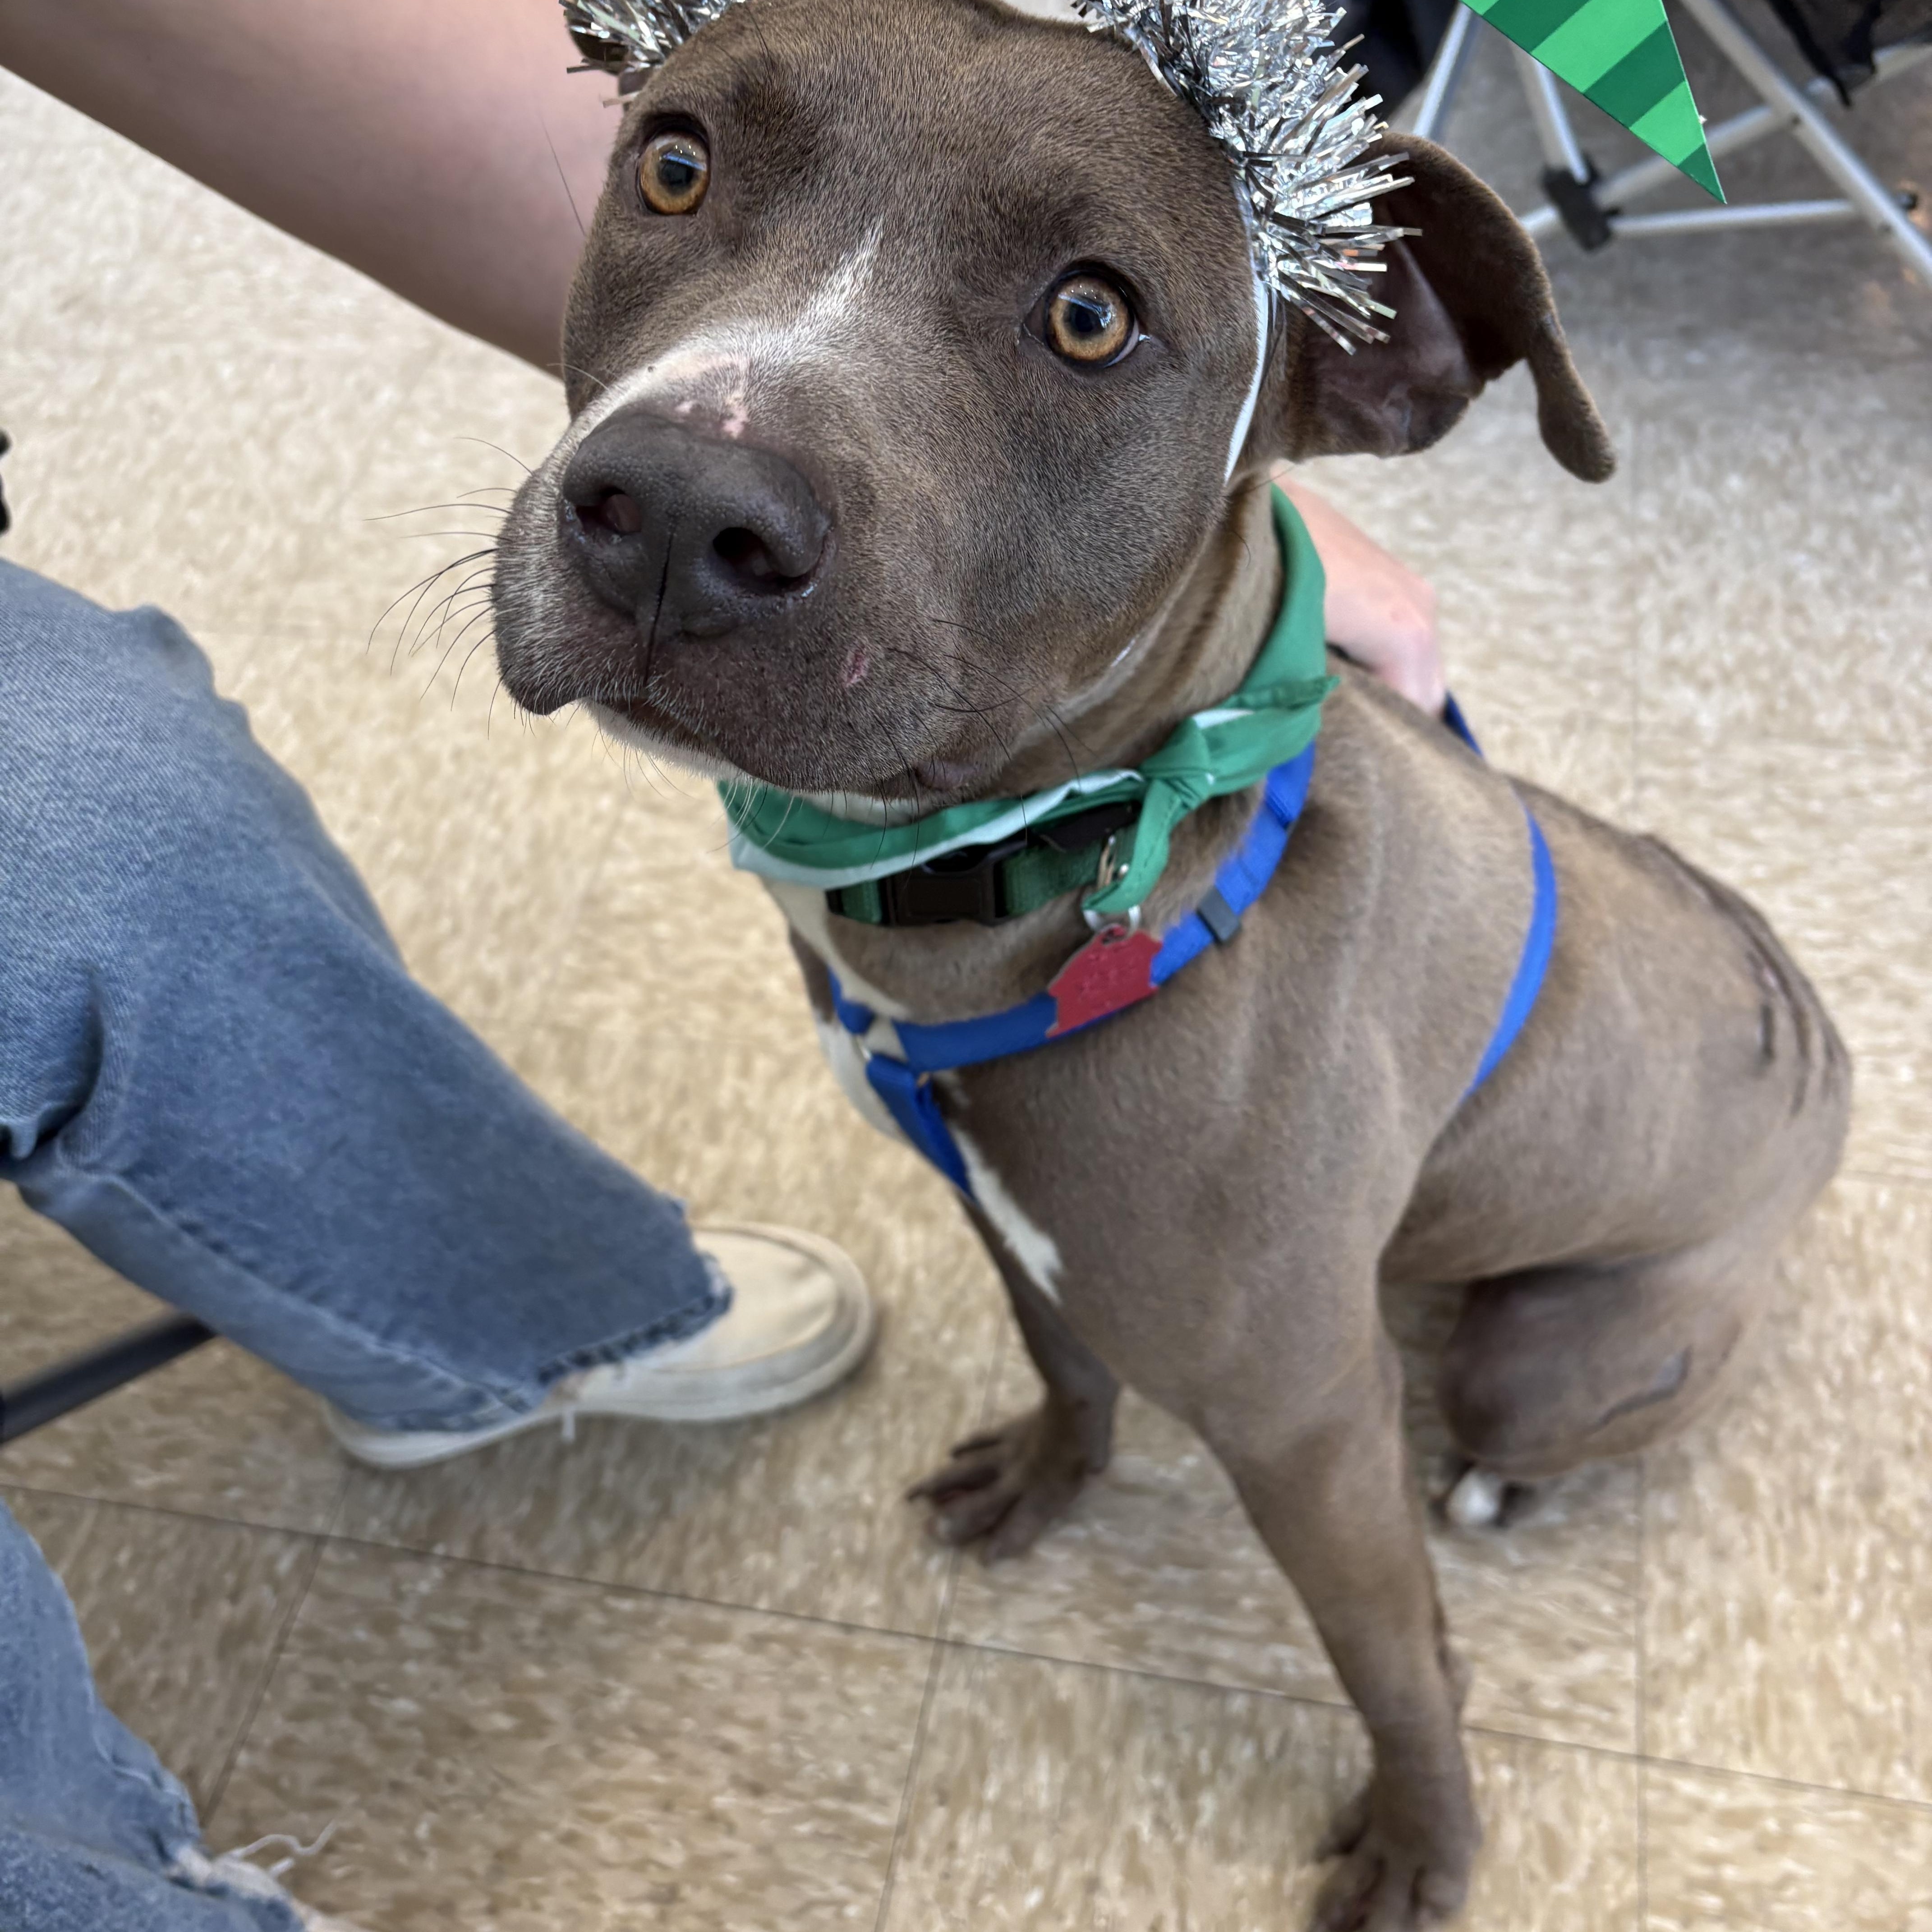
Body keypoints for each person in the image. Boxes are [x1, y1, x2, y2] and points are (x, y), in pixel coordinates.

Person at [0, 6, 1447, 1928]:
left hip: (1530, 1284)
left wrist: (1430, 1788)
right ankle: (1047, 1399)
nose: (698, 468)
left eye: (1086, 316)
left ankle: (1441, 1774)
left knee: (1356, 1376)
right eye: (682, 174)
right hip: (985, 963)